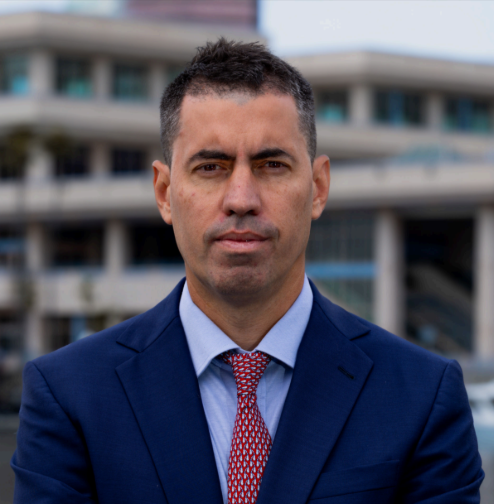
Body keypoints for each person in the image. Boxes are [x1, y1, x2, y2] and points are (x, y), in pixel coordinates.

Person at [12, 39, 483, 504]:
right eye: (210, 167)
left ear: (318, 187)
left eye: (272, 164)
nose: (241, 199)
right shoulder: (70, 395)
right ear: (164, 192)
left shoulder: (421, 396)